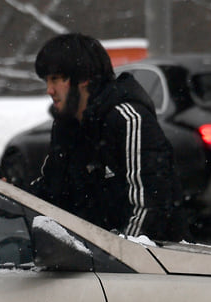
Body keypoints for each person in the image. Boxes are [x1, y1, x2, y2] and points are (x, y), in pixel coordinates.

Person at [27, 33, 181, 241]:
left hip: (150, 265)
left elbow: (149, 208)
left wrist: (115, 261)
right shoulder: (68, 125)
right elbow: (52, 194)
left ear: (83, 78)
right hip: (91, 262)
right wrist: (9, 193)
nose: (49, 90)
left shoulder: (128, 119)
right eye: (46, 80)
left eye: (55, 79)